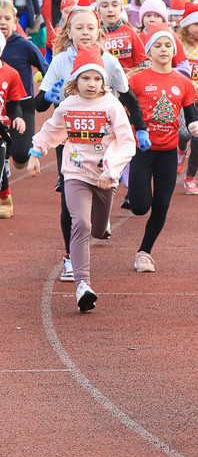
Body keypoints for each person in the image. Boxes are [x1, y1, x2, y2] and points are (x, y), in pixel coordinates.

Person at [26, 44, 136, 310]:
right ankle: (82, 286)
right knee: (81, 224)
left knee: (97, 229)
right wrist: (35, 153)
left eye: (97, 78)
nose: (92, 83)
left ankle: (103, 225)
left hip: (103, 177)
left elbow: (127, 143)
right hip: (74, 174)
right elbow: (51, 131)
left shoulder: (112, 105)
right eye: (86, 78)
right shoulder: (68, 105)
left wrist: (111, 170)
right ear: (75, 80)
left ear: (104, 81)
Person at [127, 24, 198, 272]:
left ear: (174, 50)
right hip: (142, 151)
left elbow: (191, 115)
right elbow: (122, 110)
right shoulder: (136, 81)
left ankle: (144, 253)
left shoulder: (183, 83)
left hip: (168, 152)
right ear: (148, 51)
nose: (163, 49)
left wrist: (195, 127)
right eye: (157, 45)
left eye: (168, 45)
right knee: (140, 206)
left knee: (162, 204)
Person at [0, 0, 47, 172]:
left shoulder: (25, 45)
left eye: (7, 18)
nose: (2, 22)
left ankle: (9, 154)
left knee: (21, 158)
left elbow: (46, 69)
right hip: (0, 103)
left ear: (15, 22)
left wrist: (45, 95)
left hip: (22, 103)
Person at [175, 3, 198, 191]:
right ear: (186, 25)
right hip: (181, 101)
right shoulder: (177, 46)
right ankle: (181, 149)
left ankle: (190, 178)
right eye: (196, 23)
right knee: (183, 133)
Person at [0, 32, 27, 218]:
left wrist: (18, 117)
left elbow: (14, 103)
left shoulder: (11, 73)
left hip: (1, 128)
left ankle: (5, 198)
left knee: (0, 163)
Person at [95, 0, 146, 70]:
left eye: (115, 5)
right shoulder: (95, 34)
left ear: (121, 8)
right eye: (104, 6)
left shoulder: (129, 32)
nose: (110, 9)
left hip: (128, 80)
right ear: (98, 10)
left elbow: (143, 61)